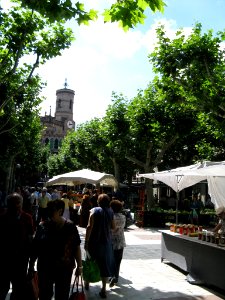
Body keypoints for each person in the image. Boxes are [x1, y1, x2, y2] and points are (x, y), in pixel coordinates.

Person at [28, 199, 82, 300]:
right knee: (44, 295)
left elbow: (76, 247)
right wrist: (31, 266)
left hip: (64, 269)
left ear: (60, 211)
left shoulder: (70, 226)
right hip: (45, 268)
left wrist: (80, 266)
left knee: (62, 295)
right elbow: (35, 248)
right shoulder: (42, 226)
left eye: (52, 211)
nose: (49, 214)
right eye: (48, 210)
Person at [0, 192, 34, 300]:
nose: (16, 206)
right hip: (4, 260)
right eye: (14, 203)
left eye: (18, 203)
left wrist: (31, 265)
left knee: (18, 290)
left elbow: (30, 241)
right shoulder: (2, 217)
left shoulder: (27, 218)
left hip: (21, 261)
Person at [84, 193, 115, 298]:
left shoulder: (93, 211)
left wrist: (86, 241)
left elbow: (89, 227)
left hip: (94, 242)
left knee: (90, 261)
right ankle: (103, 289)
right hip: (106, 242)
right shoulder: (111, 211)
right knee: (104, 265)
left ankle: (87, 283)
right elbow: (113, 226)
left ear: (98, 201)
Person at [109, 199, 126, 287]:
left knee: (111, 260)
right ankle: (116, 276)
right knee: (118, 260)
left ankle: (112, 275)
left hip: (111, 241)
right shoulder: (123, 217)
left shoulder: (110, 217)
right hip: (120, 241)